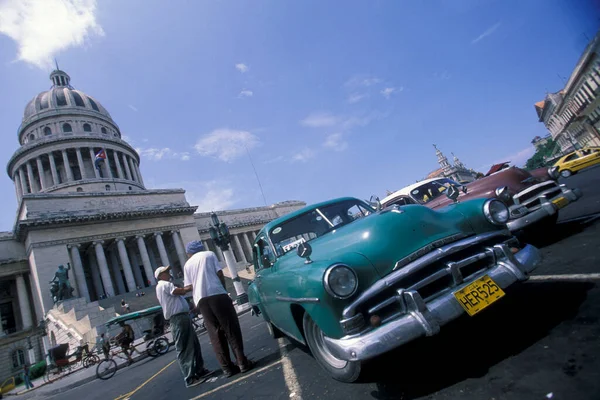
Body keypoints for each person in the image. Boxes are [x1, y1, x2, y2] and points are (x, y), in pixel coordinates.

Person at [184, 240, 254, 378]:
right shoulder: (209, 254)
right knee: (230, 328)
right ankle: (242, 362)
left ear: (189, 252)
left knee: (215, 334)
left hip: (201, 300)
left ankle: (227, 368)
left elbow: (189, 286)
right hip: (217, 294)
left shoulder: (187, 265)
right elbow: (220, 273)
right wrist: (222, 288)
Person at [155, 265, 213, 388]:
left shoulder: (165, 285)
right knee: (185, 346)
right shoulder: (163, 285)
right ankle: (190, 378)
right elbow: (179, 291)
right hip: (178, 319)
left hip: (183, 317)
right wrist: (191, 286)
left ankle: (199, 370)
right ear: (160, 276)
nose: (169, 273)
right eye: (166, 272)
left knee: (194, 344)